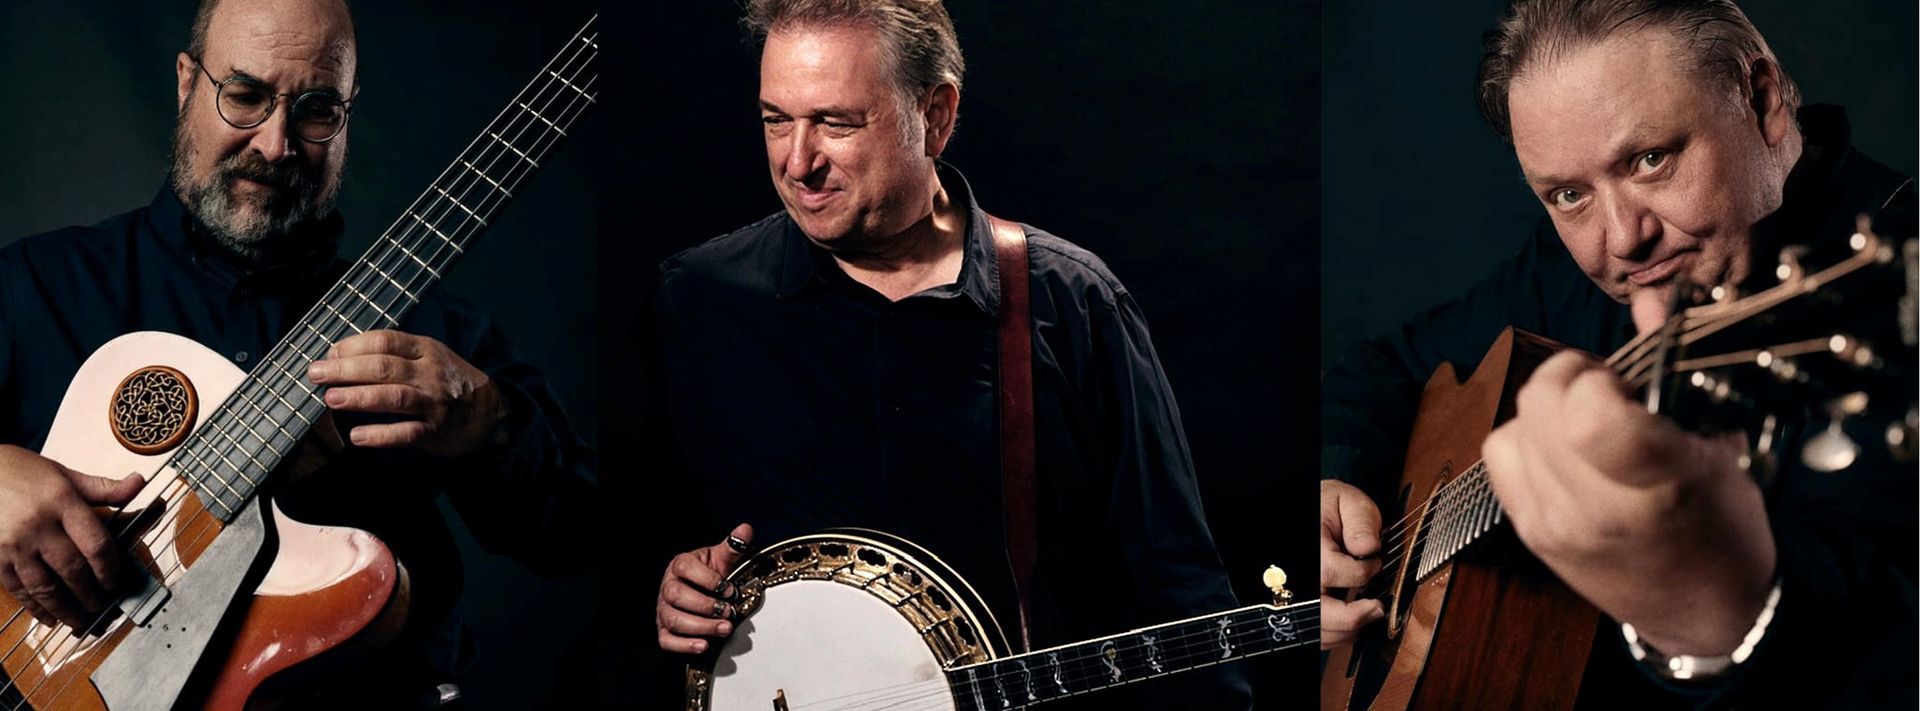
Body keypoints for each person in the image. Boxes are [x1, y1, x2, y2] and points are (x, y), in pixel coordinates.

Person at [642, 0, 1249, 707]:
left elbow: (1181, 587)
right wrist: (670, 583)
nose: (796, 162)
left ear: (935, 116)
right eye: (776, 119)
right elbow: (630, 536)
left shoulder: (1074, 303)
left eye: (835, 122)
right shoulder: (698, 297)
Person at [1320, 0, 1914, 707]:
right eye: (1568, 194)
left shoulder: (1886, 289)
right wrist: (1340, 483)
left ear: (1763, 99)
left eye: (1650, 159)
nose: (1622, 238)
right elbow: (1383, 371)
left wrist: (1726, 614)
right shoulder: (1558, 271)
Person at [0, 0, 594, 706]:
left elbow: (580, 539)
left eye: (316, 111)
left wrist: (493, 425)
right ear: (188, 84)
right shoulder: (40, 284)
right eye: (245, 95)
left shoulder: (433, 341)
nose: (275, 144)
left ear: (348, 116)